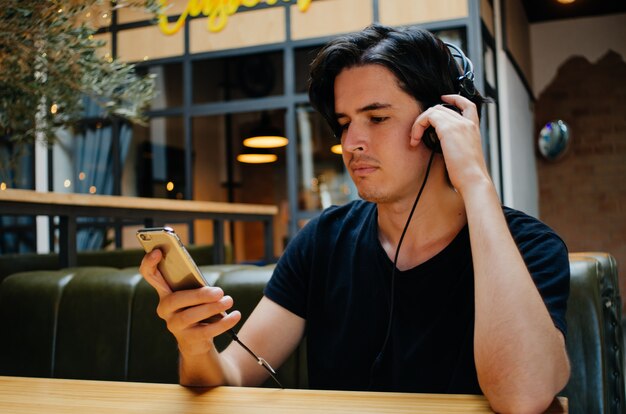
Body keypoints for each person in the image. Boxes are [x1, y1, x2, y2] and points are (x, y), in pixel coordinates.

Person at [140, 24, 570, 413]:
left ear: (442, 127)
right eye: (344, 123)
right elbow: (231, 377)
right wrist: (195, 347)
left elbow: (523, 397)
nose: (350, 143)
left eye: (377, 118)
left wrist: (475, 181)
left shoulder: (531, 247)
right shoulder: (323, 240)